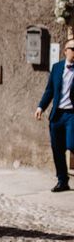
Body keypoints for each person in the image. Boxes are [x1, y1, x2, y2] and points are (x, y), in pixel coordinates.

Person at [35, 39, 74, 192]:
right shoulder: (56, 68)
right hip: (57, 114)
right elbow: (50, 90)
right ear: (65, 51)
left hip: (72, 114)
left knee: (72, 144)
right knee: (57, 149)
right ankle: (62, 181)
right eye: (73, 48)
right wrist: (40, 107)